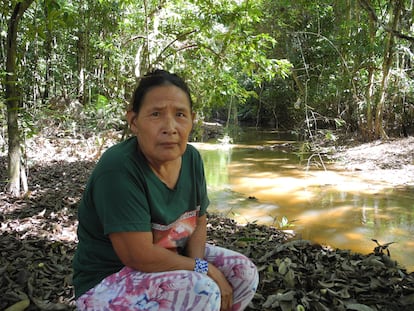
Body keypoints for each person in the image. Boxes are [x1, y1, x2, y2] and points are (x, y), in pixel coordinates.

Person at [72, 69, 259, 311]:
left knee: (243, 273)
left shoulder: (191, 159)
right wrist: (203, 270)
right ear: (134, 121)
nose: (170, 127)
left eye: (180, 114)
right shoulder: (118, 168)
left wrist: (198, 264)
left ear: (192, 119)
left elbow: (199, 220)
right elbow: (139, 256)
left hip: (169, 257)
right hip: (107, 281)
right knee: (202, 289)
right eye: (156, 114)